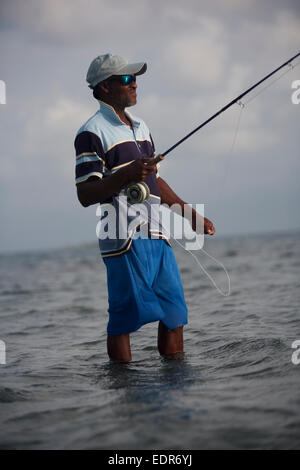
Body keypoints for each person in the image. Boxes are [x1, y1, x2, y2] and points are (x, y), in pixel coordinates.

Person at [75, 54, 215, 362]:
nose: (134, 83)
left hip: (158, 235)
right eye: (126, 79)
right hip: (123, 239)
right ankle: (124, 390)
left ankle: (174, 388)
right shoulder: (91, 132)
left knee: (175, 313)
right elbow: (86, 193)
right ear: (105, 88)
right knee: (124, 317)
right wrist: (125, 174)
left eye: (135, 77)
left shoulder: (141, 127)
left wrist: (190, 214)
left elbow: (155, 182)